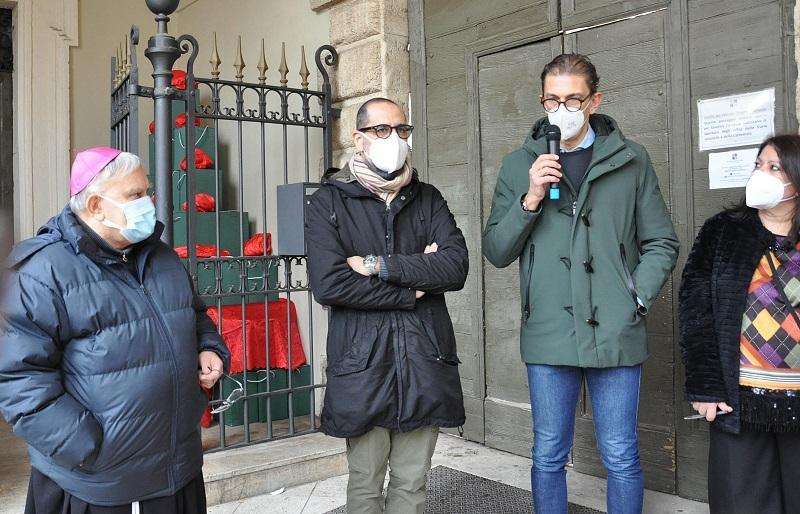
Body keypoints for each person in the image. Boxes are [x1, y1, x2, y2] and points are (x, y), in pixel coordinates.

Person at [482, 53, 679, 514]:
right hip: (549, 329)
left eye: (573, 99)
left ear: (595, 100)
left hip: (615, 329)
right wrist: (530, 197)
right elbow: (496, 250)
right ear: (542, 102)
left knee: (621, 455)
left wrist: (635, 296)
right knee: (548, 454)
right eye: (553, 100)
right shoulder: (519, 164)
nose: (562, 109)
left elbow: (662, 241)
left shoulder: (631, 159)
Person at [0, 147, 230, 514]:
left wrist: (209, 348)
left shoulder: (162, 257)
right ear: (95, 204)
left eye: (146, 192)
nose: (148, 203)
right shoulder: (42, 272)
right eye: (135, 195)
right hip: (98, 485)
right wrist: (87, 447)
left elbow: (196, 316)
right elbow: (20, 380)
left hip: (176, 468)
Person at [305, 97, 469, 513]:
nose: (393, 139)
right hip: (363, 364)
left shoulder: (427, 198)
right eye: (381, 130)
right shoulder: (329, 202)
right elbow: (329, 284)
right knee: (365, 483)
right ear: (358, 139)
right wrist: (411, 287)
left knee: (413, 484)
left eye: (401, 130)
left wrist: (378, 266)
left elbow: (454, 268)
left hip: (424, 358)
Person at [679, 135, 800, 514]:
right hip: (739, 401)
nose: (761, 173)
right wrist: (705, 386)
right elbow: (696, 310)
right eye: (759, 165)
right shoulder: (724, 231)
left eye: (774, 167)